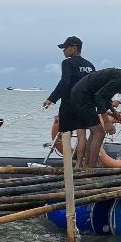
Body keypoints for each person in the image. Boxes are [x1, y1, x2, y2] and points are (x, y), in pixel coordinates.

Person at [69, 58, 121, 169]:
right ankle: (90, 170)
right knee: (100, 133)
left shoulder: (119, 74)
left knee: (94, 133)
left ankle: (86, 166)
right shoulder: (120, 80)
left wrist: (114, 111)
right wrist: (106, 121)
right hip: (83, 98)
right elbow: (99, 97)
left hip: (79, 95)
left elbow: (104, 97)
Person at [43, 36, 95, 164]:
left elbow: (64, 83)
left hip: (70, 103)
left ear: (74, 48)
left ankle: (67, 164)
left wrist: (52, 98)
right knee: (82, 134)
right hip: (86, 104)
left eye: (65, 48)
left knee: (66, 133)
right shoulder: (90, 66)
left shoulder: (67, 63)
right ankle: (78, 165)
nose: (63, 51)